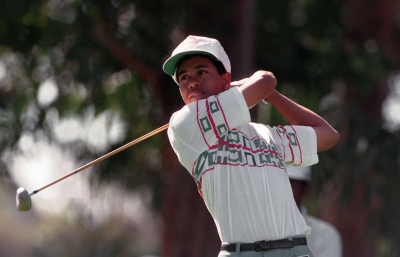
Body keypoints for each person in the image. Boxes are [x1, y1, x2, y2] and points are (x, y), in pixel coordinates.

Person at [162, 35, 340, 257]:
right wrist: (259, 86)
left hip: (295, 251)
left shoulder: (266, 134)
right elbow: (267, 80)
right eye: (183, 78)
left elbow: (328, 135)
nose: (192, 82)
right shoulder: (183, 124)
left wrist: (271, 95)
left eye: (202, 72)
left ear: (226, 79)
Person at [286, 165, 343, 257]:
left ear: (305, 190)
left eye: (289, 183)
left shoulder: (326, 236)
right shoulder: (256, 230)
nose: (279, 190)